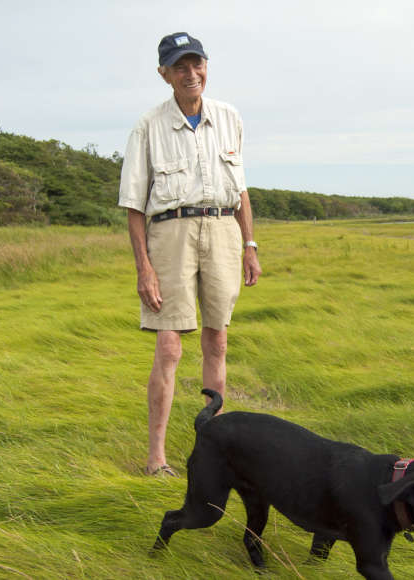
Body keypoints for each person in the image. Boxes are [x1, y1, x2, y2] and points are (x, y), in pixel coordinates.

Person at [118, 32, 261, 476]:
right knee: (169, 347)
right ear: (165, 74)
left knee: (217, 339)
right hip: (171, 233)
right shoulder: (148, 125)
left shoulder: (229, 117)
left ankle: (213, 453)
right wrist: (144, 268)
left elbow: (240, 190)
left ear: (206, 66)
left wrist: (250, 245)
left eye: (196, 64)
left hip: (223, 230)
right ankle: (156, 457)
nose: (190, 73)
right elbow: (134, 205)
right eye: (180, 67)